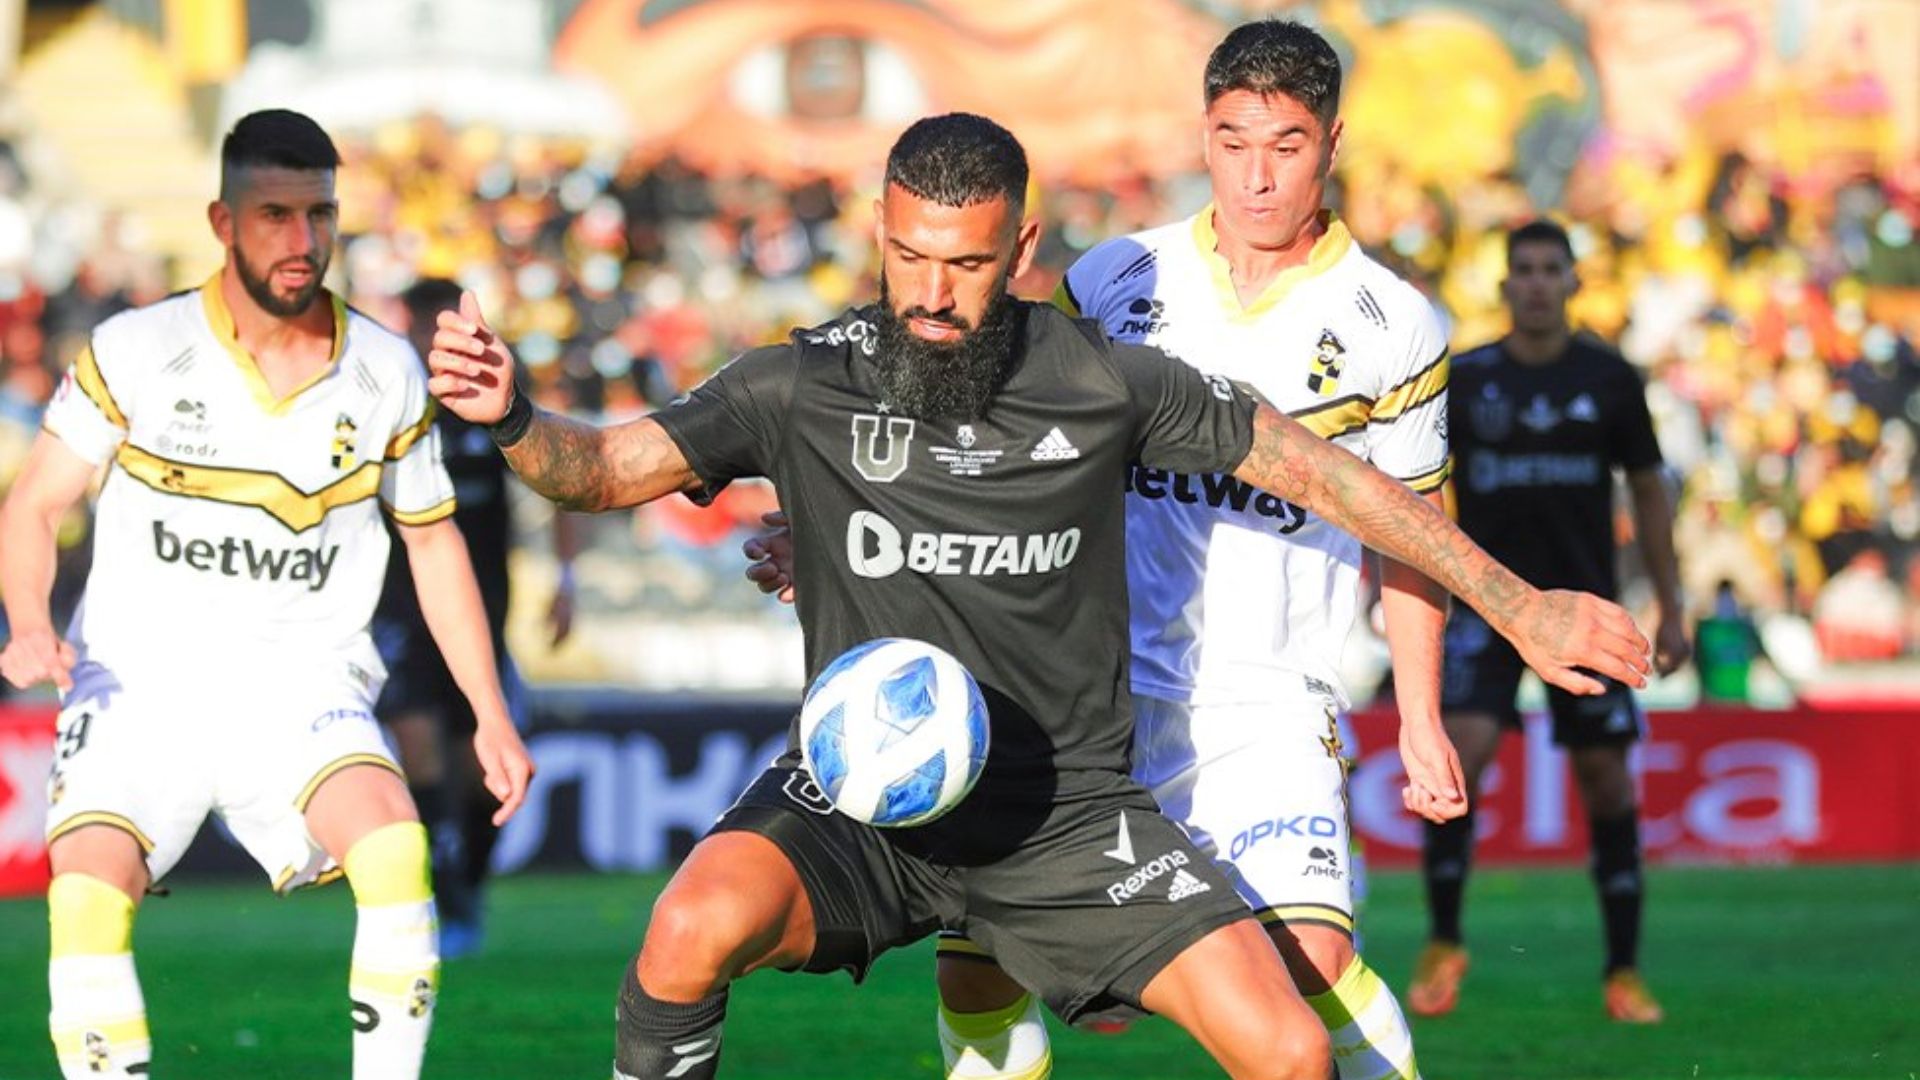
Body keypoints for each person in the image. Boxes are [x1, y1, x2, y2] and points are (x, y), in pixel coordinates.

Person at [428, 113, 1648, 1080]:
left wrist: (1521, 605)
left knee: (1286, 1050)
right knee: (687, 929)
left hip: (1062, 813)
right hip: (861, 798)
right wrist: (515, 419)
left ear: (1022, 254)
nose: (932, 295)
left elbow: (1326, 473)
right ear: (879, 231)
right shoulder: (804, 380)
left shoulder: (1106, 381)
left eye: (965, 266)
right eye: (908, 255)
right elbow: (600, 471)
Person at [747, 22, 1458, 1080]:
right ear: (1204, 136)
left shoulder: (1395, 326)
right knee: (979, 969)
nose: (1257, 176)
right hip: (1079, 689)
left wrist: (1421, 716)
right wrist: (830, 526)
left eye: (1287, 145)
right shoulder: (1121, 277)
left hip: (1264, 698)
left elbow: (1416, 533)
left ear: (1332, 143)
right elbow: (991, 433)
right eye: (1233, 141)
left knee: (1305, 962)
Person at [0, 109, 533, 1079]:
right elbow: (33, 505)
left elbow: (434, 541)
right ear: (221, 221)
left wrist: (489, 711)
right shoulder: (134, 351)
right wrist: (31, 626)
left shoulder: (384, 371)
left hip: (301, 685)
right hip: (138, 686)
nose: (300, 241)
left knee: (393, 848)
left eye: (318, 215)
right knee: (83, 899)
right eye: (273, 214)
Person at [1408, 219, 1688, 1026]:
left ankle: (1624, 970)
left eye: (1549, 270)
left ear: (1573, 284)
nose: (1534, 283)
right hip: (1488, 607)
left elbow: (1647, 490)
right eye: (1522, 270)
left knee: (1605, 782)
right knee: (1457, 764)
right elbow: (1421, 495)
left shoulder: (1609, 379)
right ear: (1504, 288)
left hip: (1588, 612)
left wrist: (1671, 603)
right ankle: (1444, 941)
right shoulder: (1467, 378)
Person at [372, 277, 580, 959]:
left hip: (482, 611)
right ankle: (443, 891)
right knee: (419, 742)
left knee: (478, 768)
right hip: (399, 607)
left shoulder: (494, 398)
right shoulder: (390, 401)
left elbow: (555, 479)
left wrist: (565, 578)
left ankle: (465, 882)